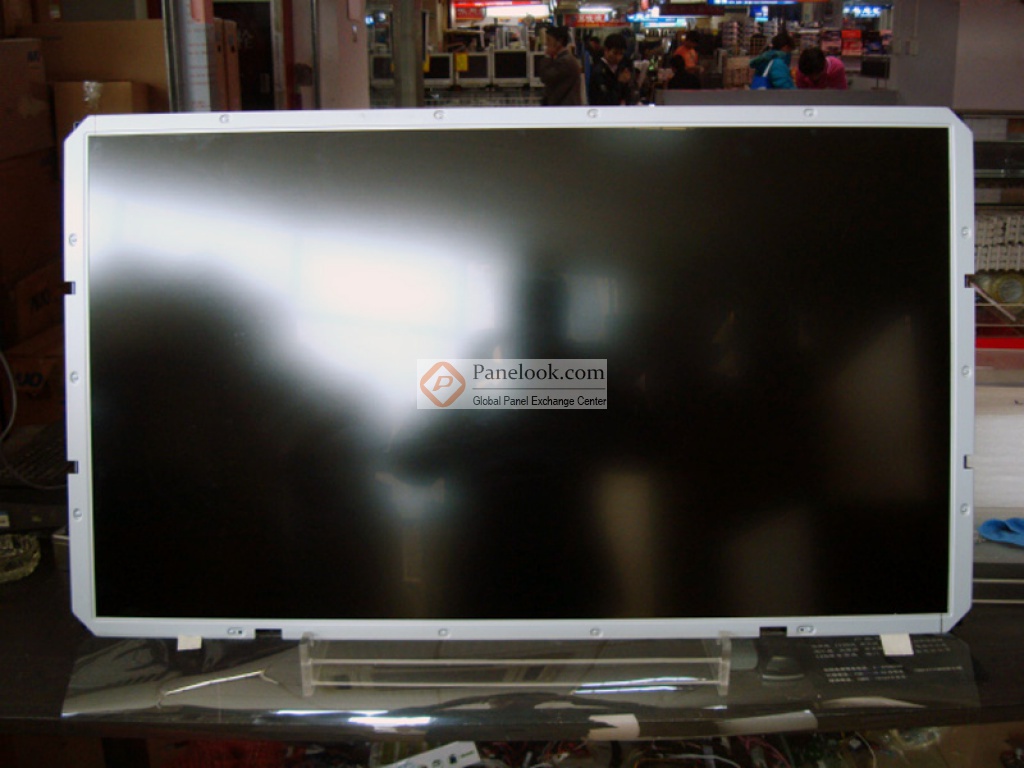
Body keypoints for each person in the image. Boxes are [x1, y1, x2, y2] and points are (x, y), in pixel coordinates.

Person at [539, 26, 583, 106]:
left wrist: (547, 56)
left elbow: (546, 77)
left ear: (559, 42)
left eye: (549, 40)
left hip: (565, 107)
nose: (546, 44)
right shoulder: (564, 59)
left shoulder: (565, 61)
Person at [588, 33, 633, 106]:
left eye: (621, 54)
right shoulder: (599, 72)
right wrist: (620, 83)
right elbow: (606, 100)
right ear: (606, 50)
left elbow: (629, 97)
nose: (618, 57)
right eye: (615, 53)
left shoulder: (621, 68)